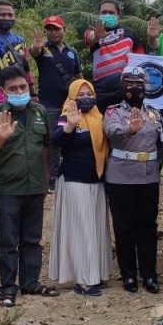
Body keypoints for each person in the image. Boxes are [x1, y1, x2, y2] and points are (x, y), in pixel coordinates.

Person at [0, 66, 59, 307]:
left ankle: (30, 282)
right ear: (3, 91)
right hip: (7, 189)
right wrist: (0, 138)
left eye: (23, 87)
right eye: (13, 89)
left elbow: (46, 147)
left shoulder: (39, 112)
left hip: (35, 186)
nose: (19, 91)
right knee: (8, 241)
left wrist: (45, 181)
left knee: (32, 239)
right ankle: (7, 287)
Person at [103, 67, 163, 294]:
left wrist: (154, 167)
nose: (135, 88)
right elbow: (111, 132)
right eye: (130, 83)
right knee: (124, 228)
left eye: (139, 84)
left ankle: (149, 275)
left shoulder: (154, 113)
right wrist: (129, 129)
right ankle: (129, 276)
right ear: (122, 86)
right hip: (120, 177)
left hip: (148, 178)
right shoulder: (113, 112)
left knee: (148, 228)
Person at [48, 79, 114, 297]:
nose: (86, 97)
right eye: (81, 94)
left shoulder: (99, 117)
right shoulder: (67, 114)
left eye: (89, 93)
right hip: (75, 181)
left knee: (96, 230)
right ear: (73, 96)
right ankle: (84, 281)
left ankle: (97, 274)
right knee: (81, 231)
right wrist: (68, 126)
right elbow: (56, 141)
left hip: (97, 181)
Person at [30, 15, 84, 193]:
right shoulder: (43, 50)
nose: (53, 32)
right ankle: (52, 177)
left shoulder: (72, 52)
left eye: (57, 29)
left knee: (71, 137)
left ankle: (68, 171)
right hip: (49, 104)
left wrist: (84, 93)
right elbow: (34, 53)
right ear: (46, 31)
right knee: (53, 141)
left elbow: (78, 76)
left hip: (70, 104)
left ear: (64, 30)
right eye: (50, 29)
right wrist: (35, 49)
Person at [84, 0, 146, 111]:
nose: (107, 15)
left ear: (119, 15)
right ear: (99, 14)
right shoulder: (91, 32)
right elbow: (90, 38)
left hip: (126, 87)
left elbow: (141, 59)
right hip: (101, 88)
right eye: (104, 12)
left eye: (111, 12)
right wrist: (97, 36)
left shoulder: (129, 33)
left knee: (126, 124)